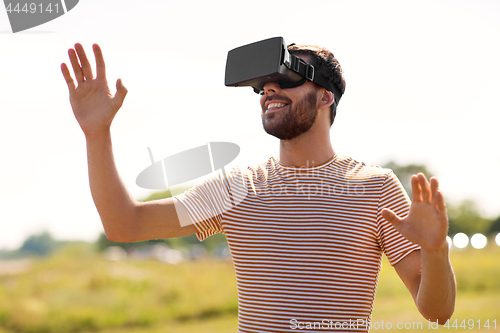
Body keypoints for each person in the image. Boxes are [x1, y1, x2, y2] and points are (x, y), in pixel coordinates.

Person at [61, 42, 456, 333]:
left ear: (325, 96)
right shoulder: (236, 187)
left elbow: (437, 312)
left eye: (285, 79)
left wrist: (436, 253)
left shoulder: (374, 188)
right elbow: (124, 224)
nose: (269, 91)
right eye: (263, 87)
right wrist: (97, 134)